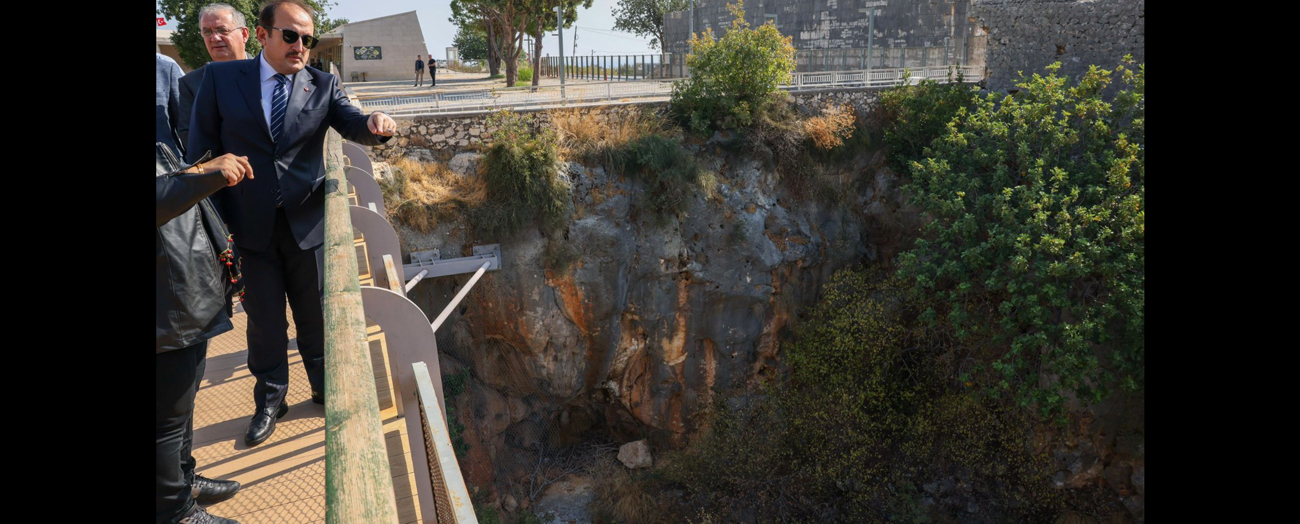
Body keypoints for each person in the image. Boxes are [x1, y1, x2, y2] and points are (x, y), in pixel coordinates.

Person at [187, 0, 397, 447]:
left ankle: (323, 388)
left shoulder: (322, 83)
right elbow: (201, 154)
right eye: (290, 36)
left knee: (314, 316)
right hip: (248, 226)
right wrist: (213, 226)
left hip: (308, 223)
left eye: (308, 38)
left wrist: (375, 125)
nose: (300, 46)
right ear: (262, 36)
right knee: (264, 321)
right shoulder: (222, 80)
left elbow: (351, 122)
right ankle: (271, 399)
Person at [158, 50, 255, 524]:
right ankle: (175, 512)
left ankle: (184, 480)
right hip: (164, 302)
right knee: (165, 416)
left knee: (184, 398)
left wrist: (198, 171)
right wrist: (210, 176)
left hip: (182, 287)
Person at [178, 3, 250, 152]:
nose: (215, 38)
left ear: (244, 34)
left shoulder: (269, 73)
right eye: (207, 32)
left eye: (222, 30)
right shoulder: (191, 84)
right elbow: (190, 137)